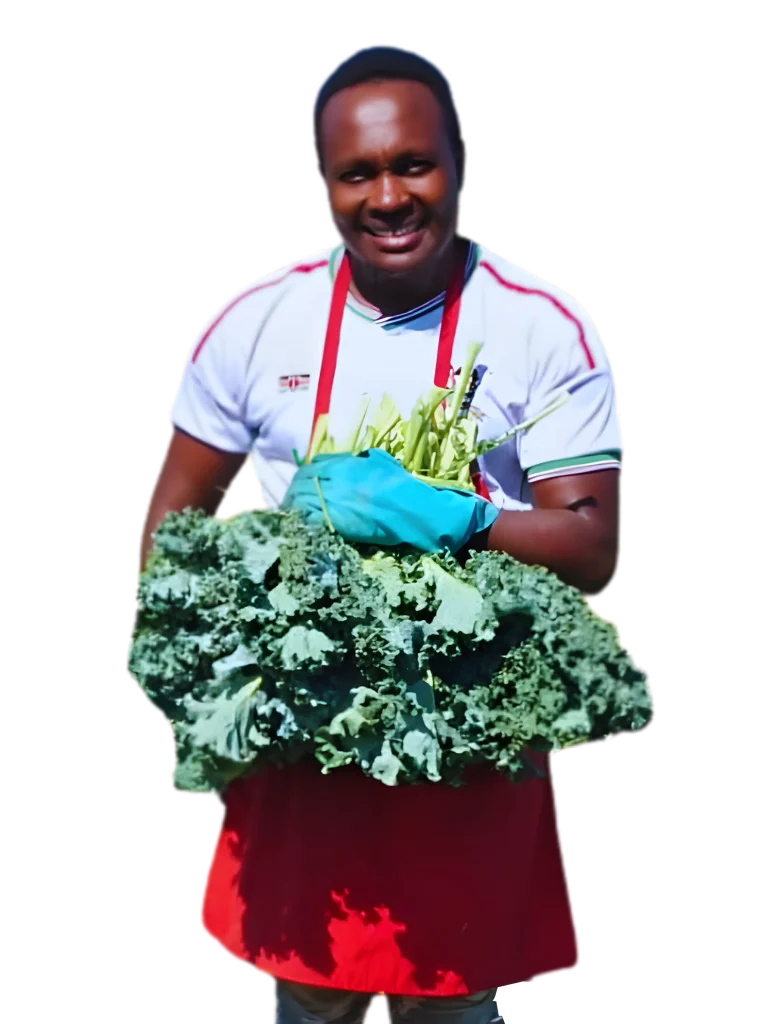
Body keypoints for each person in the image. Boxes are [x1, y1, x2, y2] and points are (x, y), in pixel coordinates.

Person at [137, 42, 623, 1024]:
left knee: (452, 1007)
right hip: (300, 764)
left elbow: (593, 549)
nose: (389, 196)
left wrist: (455, 518)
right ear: (322, 187)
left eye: (414, 164)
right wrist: (220, 650)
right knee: (306, 1001)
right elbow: (169, 528)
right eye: (357, 173)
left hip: (465, 759)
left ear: (459, 164)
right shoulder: (253, 320)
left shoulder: (541, 326)